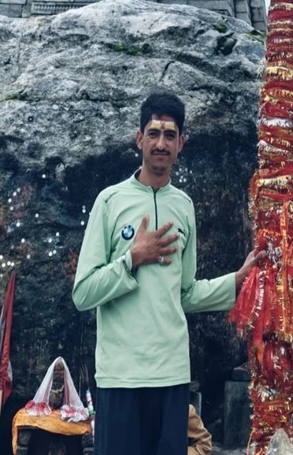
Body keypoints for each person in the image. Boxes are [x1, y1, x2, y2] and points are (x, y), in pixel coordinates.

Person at [72, 87, 260, 455]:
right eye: (154, 133)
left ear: (181, 143)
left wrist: (236, 281)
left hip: (171, 375)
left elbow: (185, 293)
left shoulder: (184, 206)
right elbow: (83, 293)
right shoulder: (110, 201)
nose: (161, 143)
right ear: (139, 138)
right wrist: (131, 259)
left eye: (170, 135)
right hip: (121, 375)